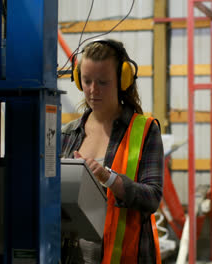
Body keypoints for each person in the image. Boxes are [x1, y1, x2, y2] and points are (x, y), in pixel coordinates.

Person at [61, 39, 164, 264]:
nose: (93, 90)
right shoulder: (68, 133)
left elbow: (152, 198)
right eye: (86, 81)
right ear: (78, 80)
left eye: (103, 82)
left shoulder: (145, 131)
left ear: (123, 81)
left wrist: (108, 178)